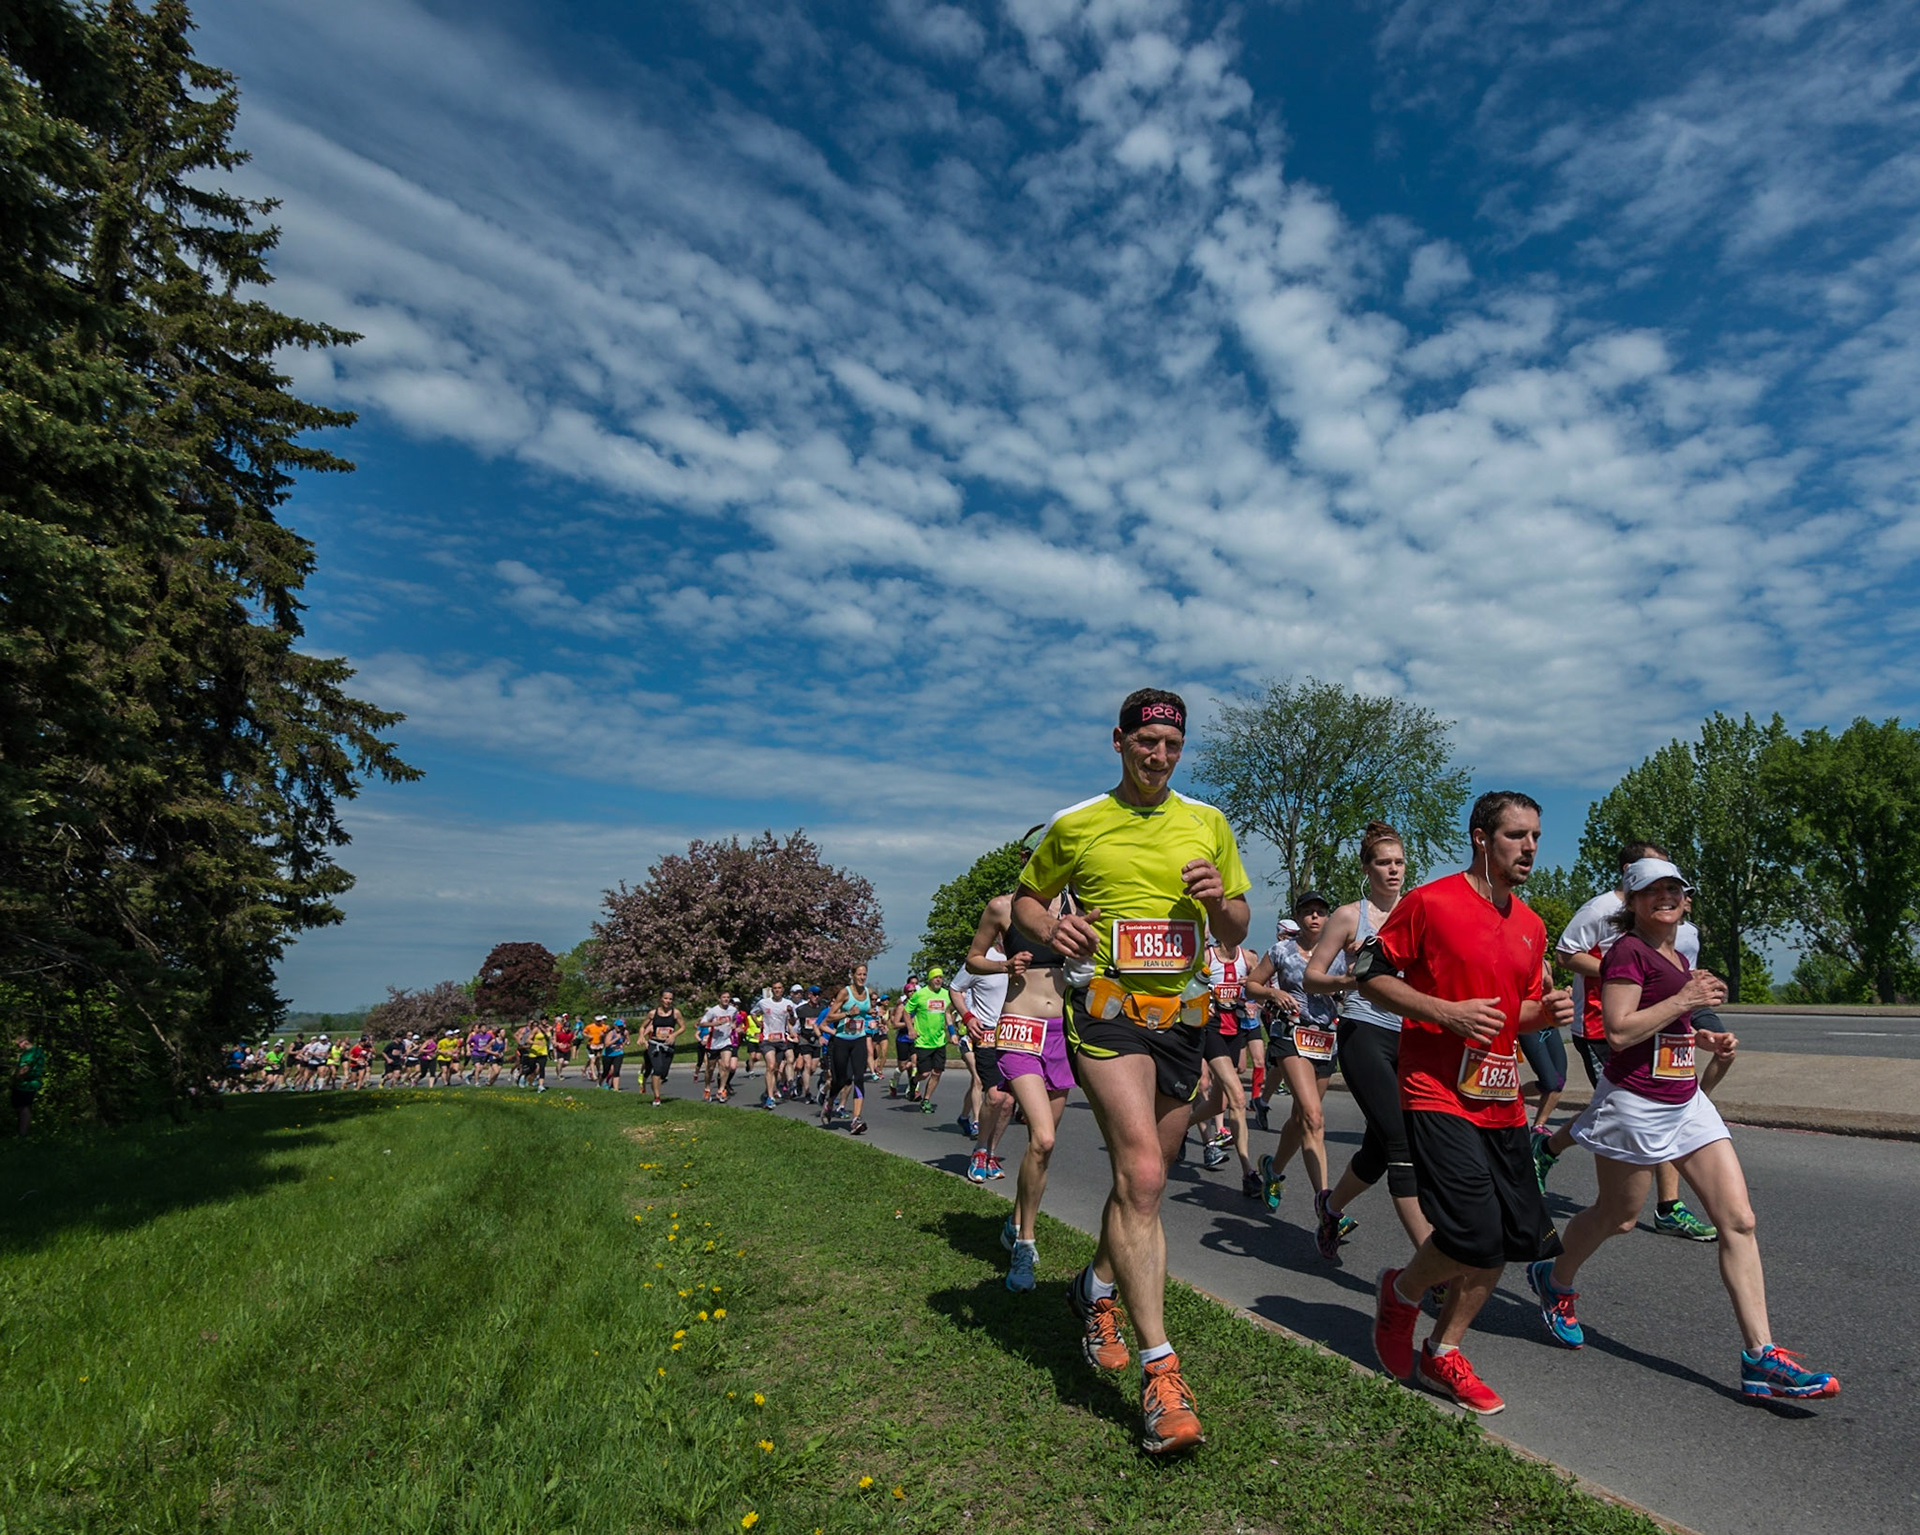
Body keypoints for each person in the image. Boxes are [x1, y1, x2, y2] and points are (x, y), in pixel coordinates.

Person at [1015, 688, 1250, 1456]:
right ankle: (1162, 1376)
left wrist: (1219, 901)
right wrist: (1054, 924)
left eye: (1172, 745)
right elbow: (1025, 901)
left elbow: (1237, 922)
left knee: (1143, 1183)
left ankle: (1096, 1287)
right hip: (1107, 1009)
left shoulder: (1207, 822)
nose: (1159, 755)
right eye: (1147, 741)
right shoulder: (1077, 822)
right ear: (1119, 740)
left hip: (1183, 1016)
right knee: (1143, 1173)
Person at [1525, 859, 1839, 1402]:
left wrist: (1700, 1038)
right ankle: (1553, 1278)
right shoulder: (1626, 952)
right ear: (1632, 902)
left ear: (1686, 900)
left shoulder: (1677, 953)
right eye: (1652, 891)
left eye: (1674, 889)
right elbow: (1619, 1031)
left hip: (1686, 1100)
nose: (1665, 897)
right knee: (1618, 1218)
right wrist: (1686, 1000)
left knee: (1739, 1220)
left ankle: (1760, 1357)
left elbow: (1668, 1022)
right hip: (1635, 1104)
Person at [1364, 791, 1573, 1416]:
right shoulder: (1431, 902)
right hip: (1434, 1090)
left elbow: (1514, 1012)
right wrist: (1443, 1012)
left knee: (1507, 1237)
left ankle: (1444, 1350)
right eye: (1516, 836)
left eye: (1536, 837)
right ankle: (1403, 1294)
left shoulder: (1531, 925)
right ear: (1481, 838)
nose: (1529, 848)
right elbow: (1371, 977)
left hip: (1500, 1097)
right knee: (1474, 1231)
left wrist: (1546, 1013)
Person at [1534, 843, 1721, 1241]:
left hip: (1668, 1037)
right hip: (1603, 1026)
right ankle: (1546, 1150)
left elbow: (1685, 987)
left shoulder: (1683, 930)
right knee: (1616, 1107)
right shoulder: (1602, 911)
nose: (1664, 889)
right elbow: (1566, 954)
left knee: (1664, 1110)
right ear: (1630, 875)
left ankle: (1669, 1207)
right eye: (1652, 878)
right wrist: (1629, 971)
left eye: (1672, 881)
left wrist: (1702, 1024)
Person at [1302, 828, 1427, 1261]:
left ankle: (1330, 1208)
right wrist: (1353, 978)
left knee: (1376, 1151)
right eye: (1383, 863)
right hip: (1364, 1031)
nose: (1393, 870)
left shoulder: (1419, 910)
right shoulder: (1348, 916)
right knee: (1403, 1144)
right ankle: (1431, 1266)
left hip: (1409, 1036)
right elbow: (1312, 977)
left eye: (1399, 862)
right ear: (1366, 868)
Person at [970, 833, 1081, 1292]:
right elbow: (973, 959)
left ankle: (1015, 1223)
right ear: (1025, 858)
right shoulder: (1003, 907)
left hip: (1064, 1033)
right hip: (1020, 1026)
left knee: (1042, 1147)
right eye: (1042, 855)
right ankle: (1025, 1246)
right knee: (1044, 1135)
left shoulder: (1078, 907)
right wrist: (1003, 966)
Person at [1250, 893, 1341, 1221]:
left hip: (1325, 1040)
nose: (1314, 917)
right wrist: (1273, 992)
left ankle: (1273, 1170)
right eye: (1308, 912)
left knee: (1302, 1118)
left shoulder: (1338, 952)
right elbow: (1251, 986)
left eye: (1320, 912)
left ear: (1328, 918)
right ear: (1298, 916)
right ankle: (1326, 1206)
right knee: (1314, 1117)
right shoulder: (1281, 950)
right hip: (1290, 1035)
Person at [1190, 931, 1262, 1197]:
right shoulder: (1207, 957)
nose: (1235, 932)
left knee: (1216, 1104)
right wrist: (1200, 999)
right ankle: (1248, 1172)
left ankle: (1178, 1130)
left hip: (1236, 1031)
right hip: (1211, 1030)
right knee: (1238, 1098)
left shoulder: (1249, 958)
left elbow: (1262, 989)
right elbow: (1186, 985)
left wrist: (1253, 993)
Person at [949, 948, 1014, 1184]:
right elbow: (955, 989)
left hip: (1015, 1035)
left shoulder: (1027, 955)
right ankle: (979, 1150)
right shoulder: (982, 958)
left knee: (1009, 1102)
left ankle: (992, 1153)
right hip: (986, 1034)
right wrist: (967, 1017)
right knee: (995, 1096)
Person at [823, 965, 878, 1133]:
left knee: (859, 1077)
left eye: (864, 974)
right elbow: (829, 1017)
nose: (862, 977)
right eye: (859, 974)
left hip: (859, 1039)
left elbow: (864, 1011)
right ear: (853, 975)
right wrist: (847, 1014)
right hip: (842, 1040)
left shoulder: (868, 992)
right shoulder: (845, 993)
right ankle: (829, 1102)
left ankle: (856, 1119)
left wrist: (870, 1013)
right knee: (841, 1079)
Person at [903, 970, 955, 1115]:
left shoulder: (946, 994)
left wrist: (952, 1033)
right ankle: (914, 1081)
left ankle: (926, 1100)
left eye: (940, 977)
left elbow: (950, 1014)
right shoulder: (920, 994)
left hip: (939, 1041)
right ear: (930, 979)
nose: (938, 980)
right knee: (925, 1073)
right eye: (935, 977)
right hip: (923, 1041)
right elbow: (906, 1012)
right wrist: (911, 1029)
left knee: (937, 1072)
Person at [644, 991, 684, 1106]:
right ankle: (657, 1098)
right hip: (654, 1044)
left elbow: (683, 1027)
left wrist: (673, 1035)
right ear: (661, 999)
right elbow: (642, 1027)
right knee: (657, 1069)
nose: (668, 1001)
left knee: (663, 1073)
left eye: (670, 999)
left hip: (668, 1046)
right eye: (666, 998)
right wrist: (642, 1037)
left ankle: (655, 1084)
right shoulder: (653, 1013)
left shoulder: (676, 1013)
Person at [11, 1034, 47, 1137]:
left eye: (19, 1044)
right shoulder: (36, 1052)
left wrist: (16, 1077)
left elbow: (25, 1068)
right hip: (25, 1084)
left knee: (24, 1107)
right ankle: (21, 1131)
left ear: (25, 1042)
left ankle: (22, 1133)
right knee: (20, 1106)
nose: (19, 1047)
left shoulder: (31, 1052)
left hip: (28, 1084)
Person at [601, 1017, 627, 1091]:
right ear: (615, 1026)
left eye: (621, 1026)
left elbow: (626, 1040)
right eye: (618, 1026)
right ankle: (600, 1084)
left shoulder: (623, 1033)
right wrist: (616, 1039)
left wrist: (625, 1043)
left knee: (616, 1071)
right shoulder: (611, 1033)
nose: (619, 1028)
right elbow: (606, 1044)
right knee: (606, 1071)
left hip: (618, 1053)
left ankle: (615, 1089)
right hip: (608, 1054)